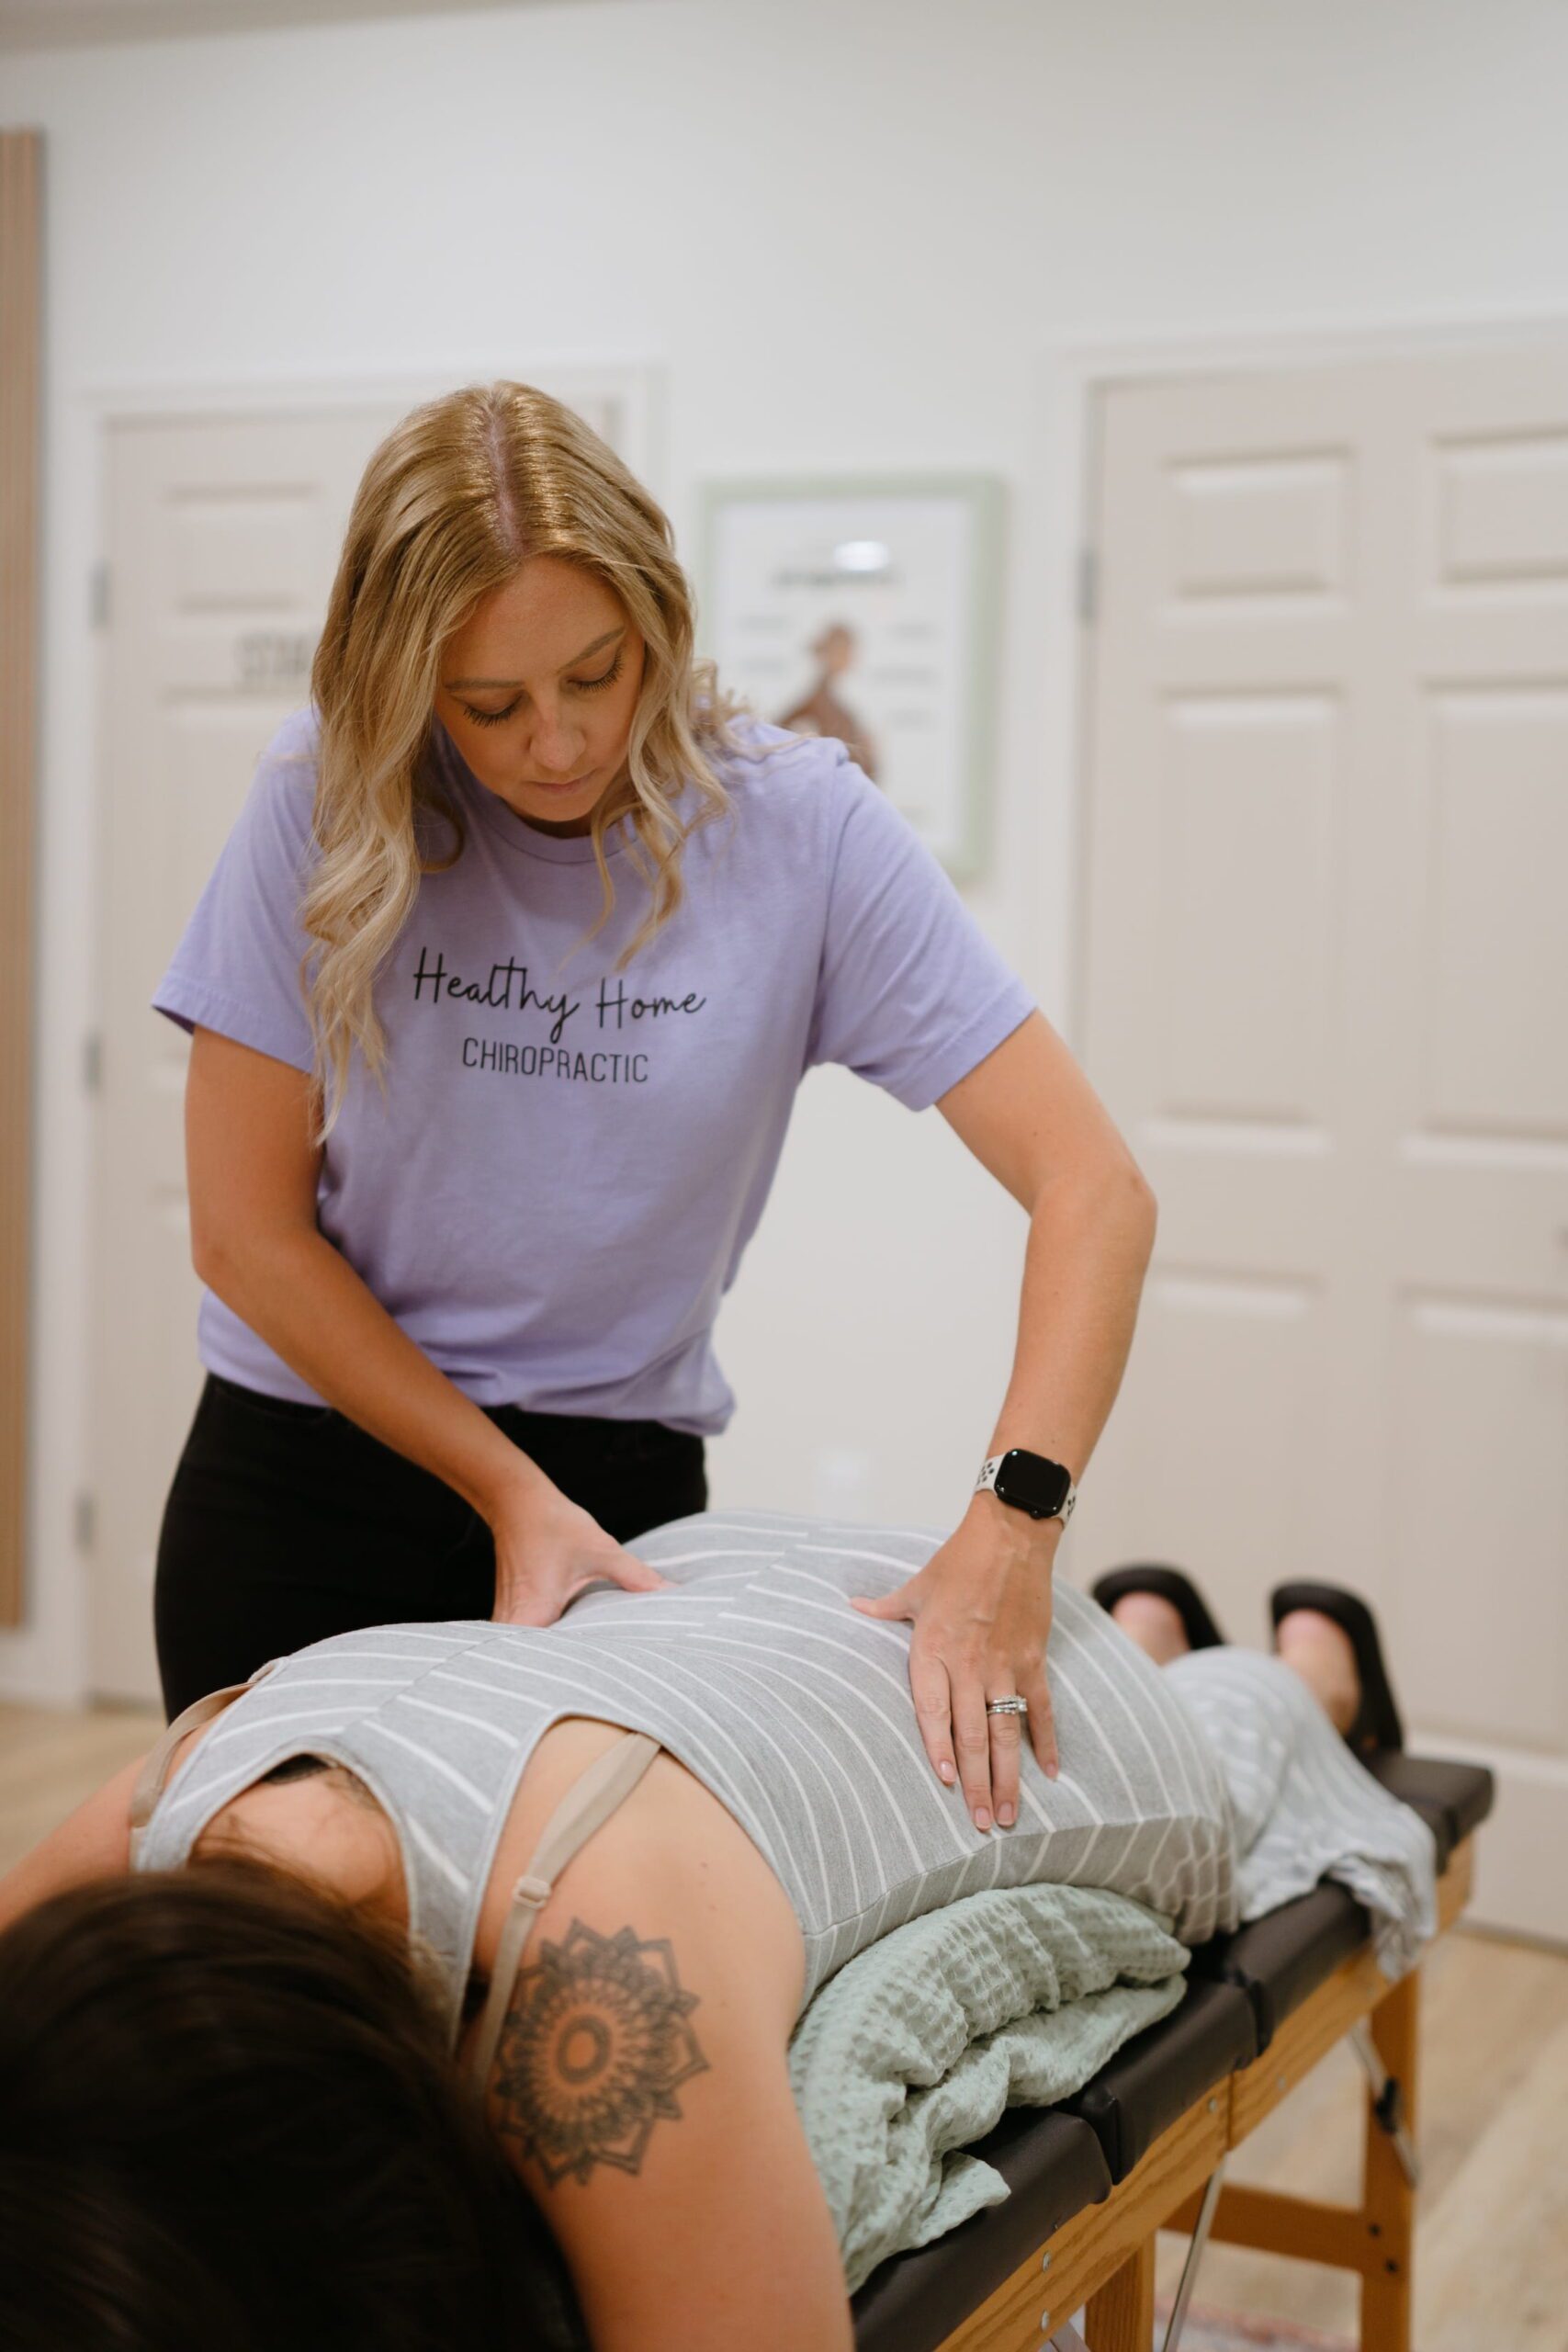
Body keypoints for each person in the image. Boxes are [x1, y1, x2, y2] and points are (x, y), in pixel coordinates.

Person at [148, 379, 1159, 1842]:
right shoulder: (326, 791)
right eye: (487, 705)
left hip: (618, 1496)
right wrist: (501, 1489)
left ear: (659, 624)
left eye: (597, 675)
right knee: (280, 2028)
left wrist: (1017, 1521)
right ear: (403, 679)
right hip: (308, 1480)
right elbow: (244, 1238)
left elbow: (1094, 1189)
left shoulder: (799, 828)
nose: (553, 744)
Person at [0, 1511, 1436, 2352]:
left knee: (1221, 1757)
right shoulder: (152, 1824)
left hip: (998, 1732)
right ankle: (1133, 1620)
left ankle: (1296, 1672)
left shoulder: (596, 2000)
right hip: (706, 1588)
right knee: (1073, 1654)